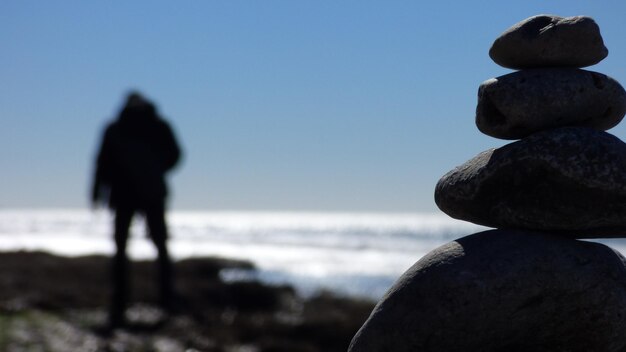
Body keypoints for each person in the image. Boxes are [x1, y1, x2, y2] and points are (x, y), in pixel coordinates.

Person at [91, 91, 182, 328]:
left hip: (144, 193)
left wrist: (154, 169)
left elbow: (175, 155)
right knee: (127, 248)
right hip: (128, 194)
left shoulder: (155, 126)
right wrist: (98, 190)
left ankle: (164, 299)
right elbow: (102, 161)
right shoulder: (118, 128)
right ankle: (123, 302)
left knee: (157, 245)